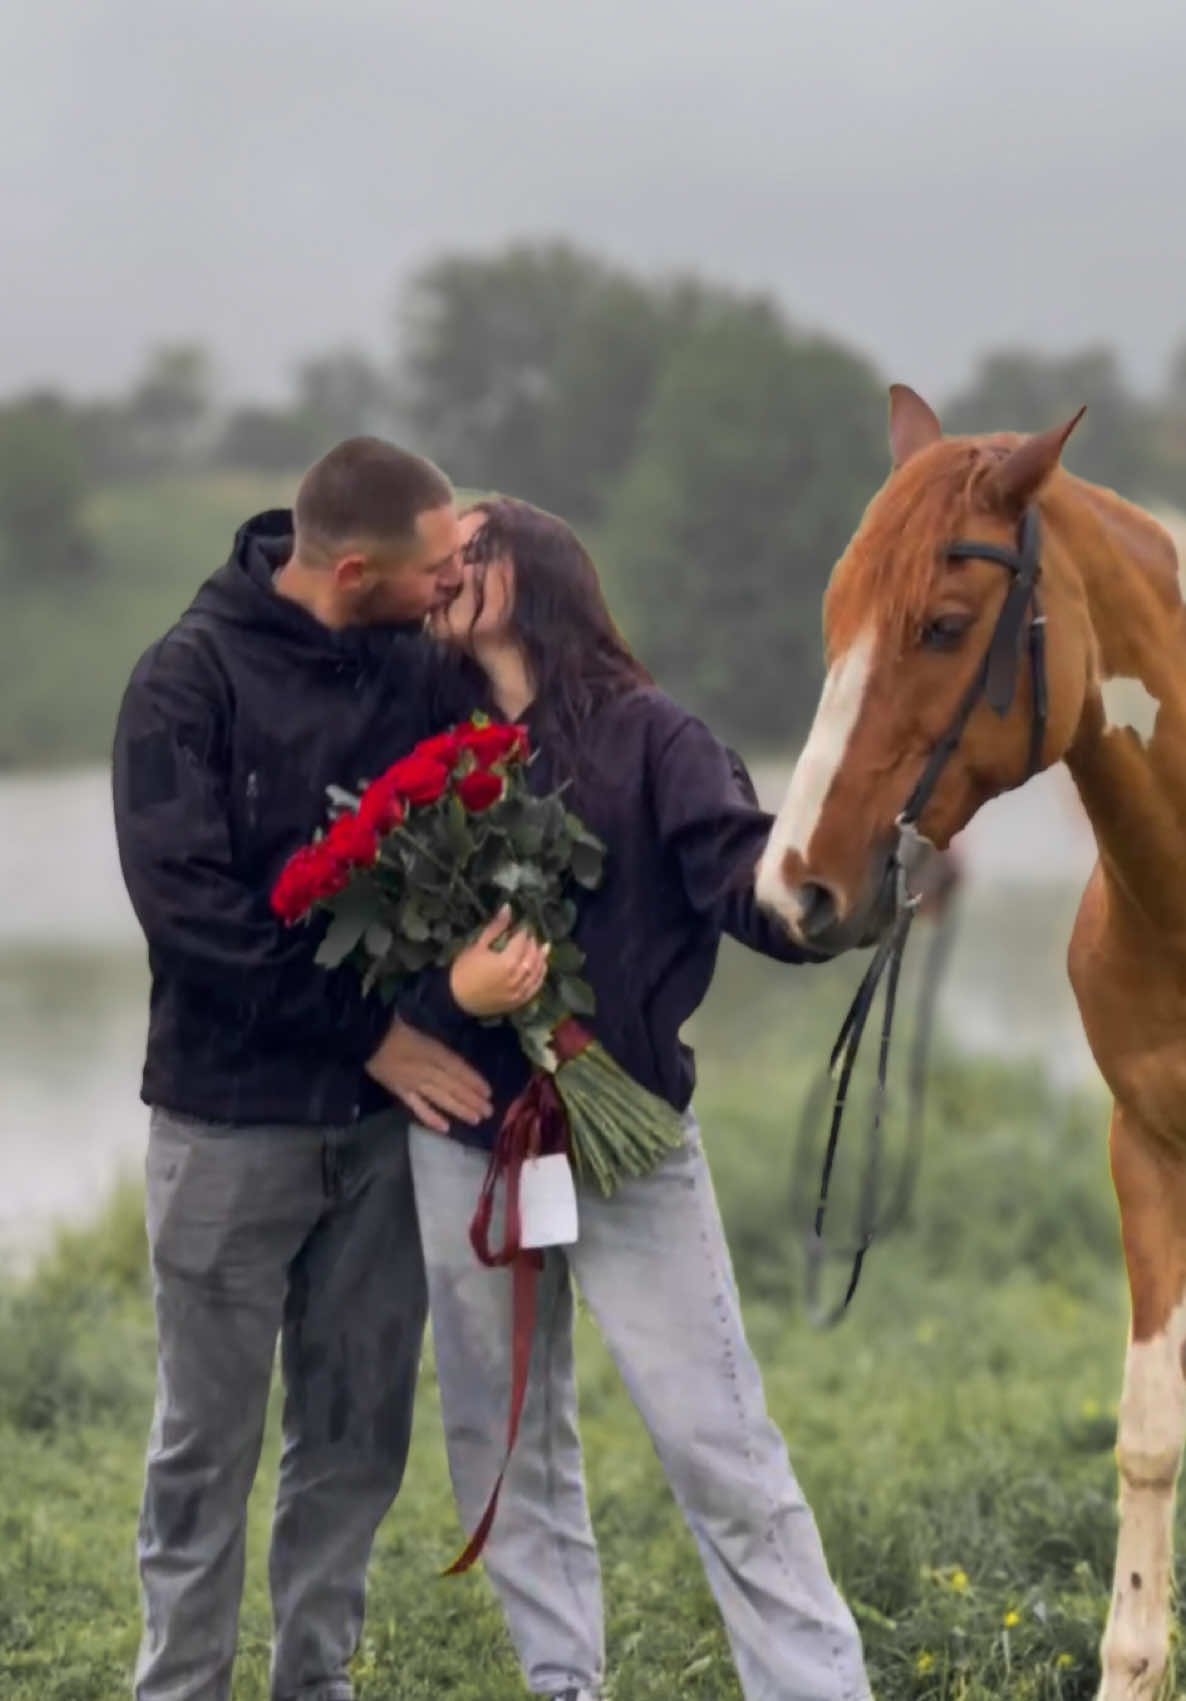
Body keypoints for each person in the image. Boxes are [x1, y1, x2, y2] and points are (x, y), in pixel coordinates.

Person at [406, 498, 873, 1701]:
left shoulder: (652, 735)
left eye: (477, 548)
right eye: (438, 556)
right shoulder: (418, 740)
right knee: (503, 1451)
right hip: (467, 1138)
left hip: (627, 1141)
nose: (449, 570)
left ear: (541, 573)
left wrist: (843, 901)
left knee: (714, 1442)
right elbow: (384, 939)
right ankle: (561, 1686)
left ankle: (817, 1688)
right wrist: (448, 991)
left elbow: (742, 876)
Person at [111, 439, 546, 1701]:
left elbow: (515, 804)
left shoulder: (422, 672)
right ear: (355, 570)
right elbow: (188, 915)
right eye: (431, 571)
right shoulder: (182, 684)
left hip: (377, 1133)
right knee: (206, 1446)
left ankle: (316, 1685)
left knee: (355, 1437)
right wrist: (368, 1031)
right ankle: (180, 1687)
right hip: (225, 1126)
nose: (446, 588)